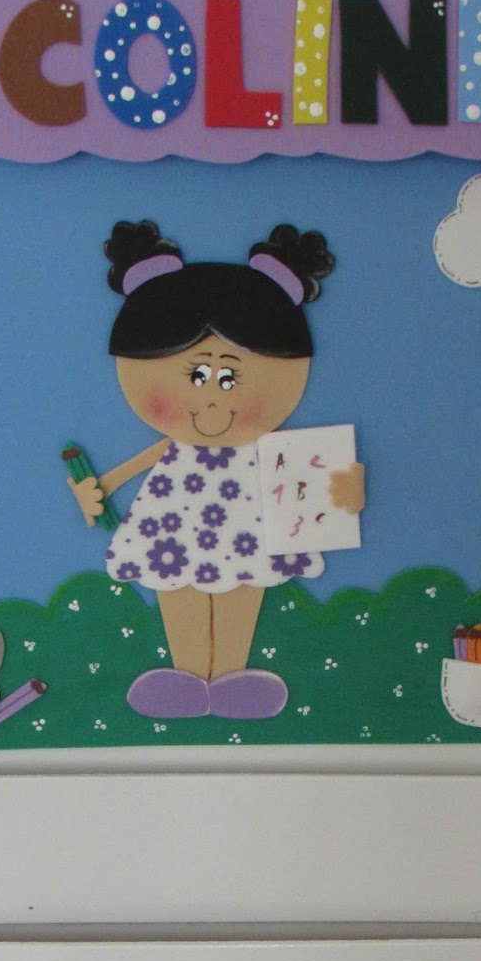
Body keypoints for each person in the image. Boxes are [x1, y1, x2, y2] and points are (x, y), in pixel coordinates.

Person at [69, 219, 365, 720]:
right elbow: (119, 475)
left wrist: (347, 492)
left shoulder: (269, 451)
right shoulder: (177, 447)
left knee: (244, 591)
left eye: (229, 377)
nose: (211, 398)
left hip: (247, 526)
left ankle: (231, 679)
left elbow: (314, 481)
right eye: (197, 374)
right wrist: (90, 493)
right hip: (174, 528)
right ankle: (185, 677)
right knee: (177, 588)